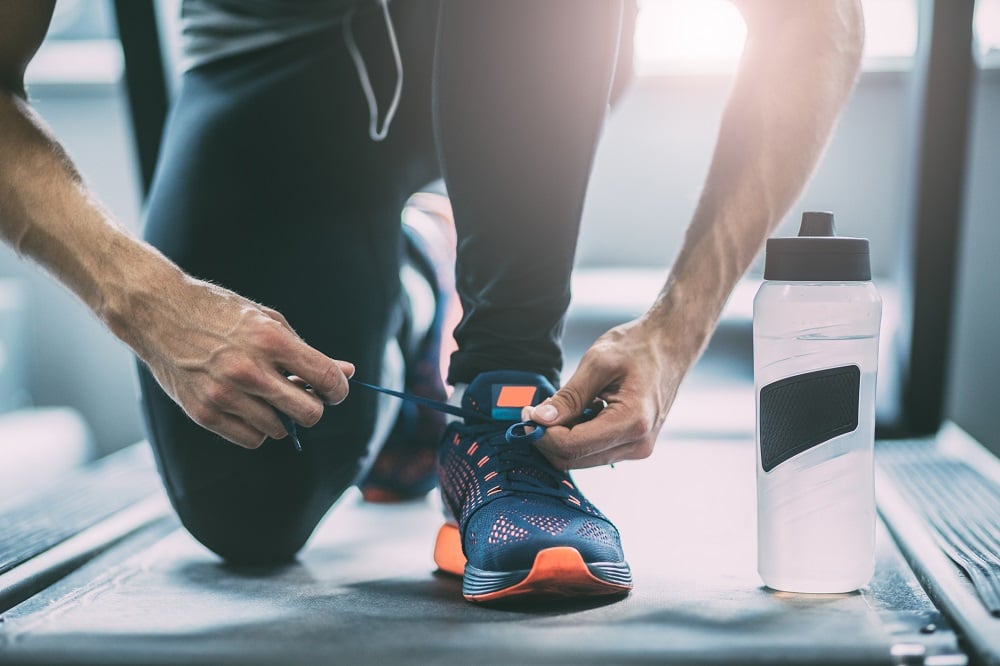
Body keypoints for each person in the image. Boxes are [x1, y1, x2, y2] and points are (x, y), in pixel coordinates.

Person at [0, 0, 864, 603]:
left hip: (530, 37)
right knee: (246, 511)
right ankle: (418, 277)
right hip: (280, 60)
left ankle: (502, 395)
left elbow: (811, 17)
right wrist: (150, 302)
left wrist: (676, 333)